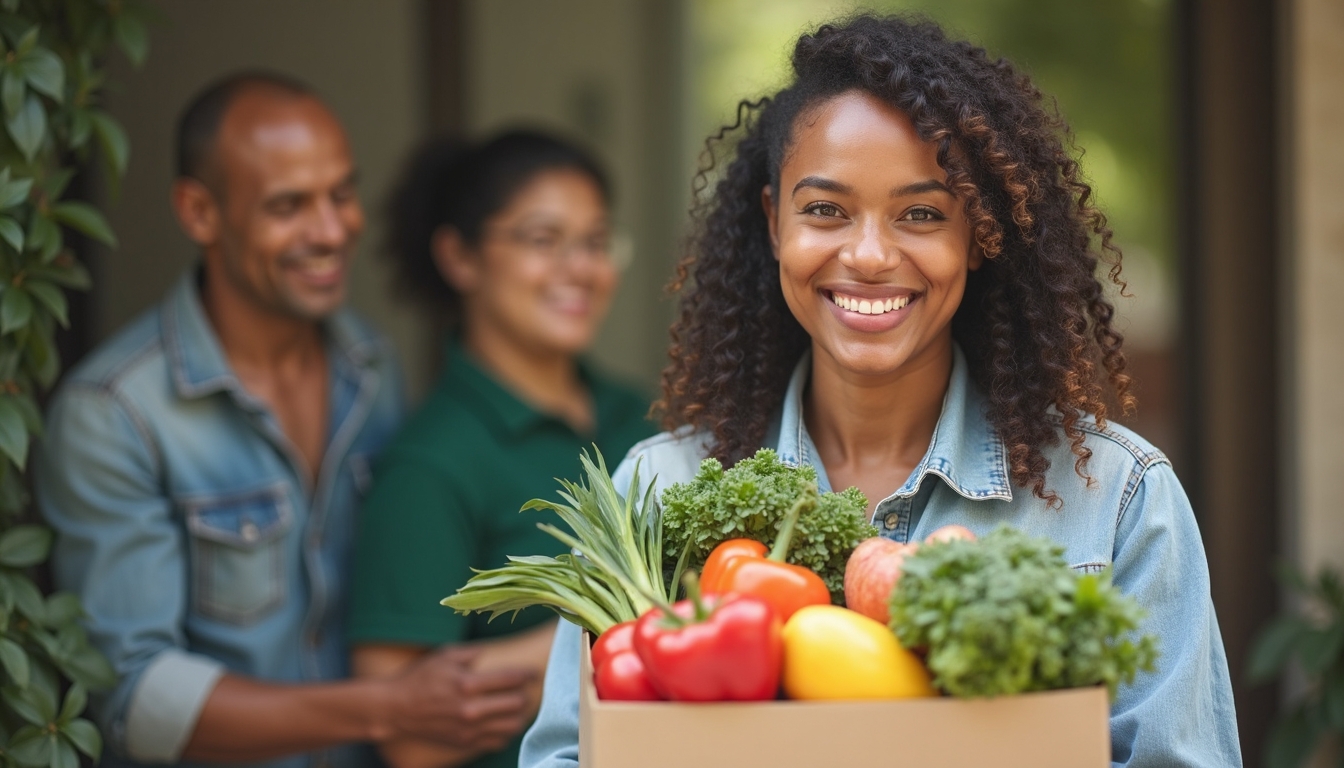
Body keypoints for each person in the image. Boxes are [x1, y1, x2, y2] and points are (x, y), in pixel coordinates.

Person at [519, 14, 1242, 768]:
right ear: (774, 223)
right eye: (825, 210)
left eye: (922, 214)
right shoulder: (655, 491)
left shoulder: (1116, 498)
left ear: (979, 234)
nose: (868, 255)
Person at [34, 72, 536, 768]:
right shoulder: (115, 412)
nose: (332, 230)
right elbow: (136, 699)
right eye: (288, 206)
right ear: (200, 212)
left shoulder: (371, 364)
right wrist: (386, 704)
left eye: (342, 193)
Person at [345, 130, 654, 768]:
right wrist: (629, 626)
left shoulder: (645, 421)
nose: (582, 269)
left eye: (596, 242)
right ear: (460, 257)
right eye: (544, 240)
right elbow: (403, 735)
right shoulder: (429, 463)